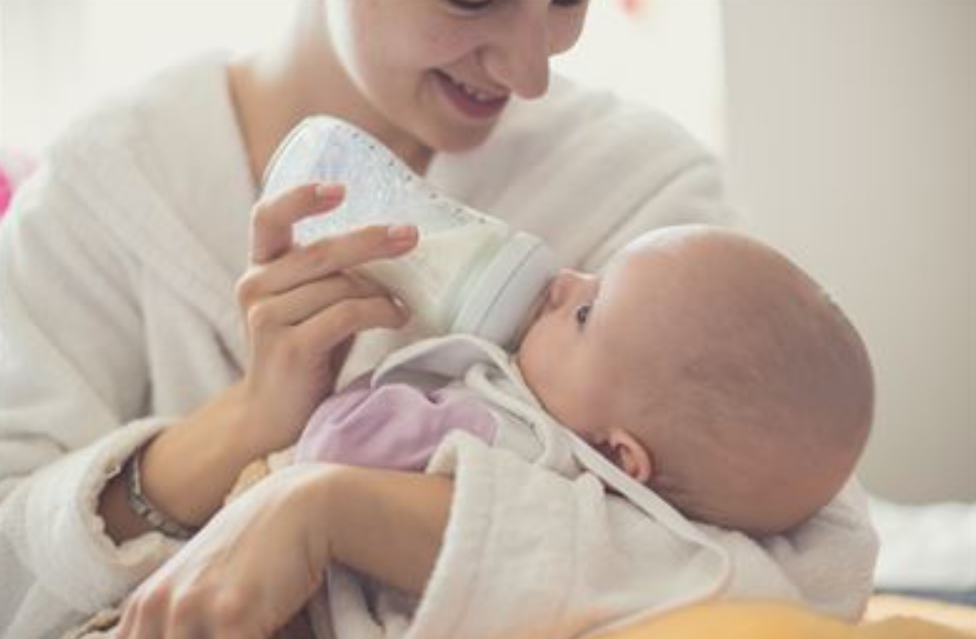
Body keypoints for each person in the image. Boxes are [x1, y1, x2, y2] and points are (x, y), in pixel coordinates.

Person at [0, 1, 878, 637]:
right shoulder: (109, 184)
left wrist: (345, 508)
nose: (532, 71)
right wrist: (246, 423)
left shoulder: (643, 185)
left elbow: (804, 556)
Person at [292, 225, 874, 538]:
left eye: (586, 314)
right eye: (593, 278)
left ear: (620, 456)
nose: (564, 281)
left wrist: (358, 374)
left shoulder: (501, 436)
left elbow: (326, 449)